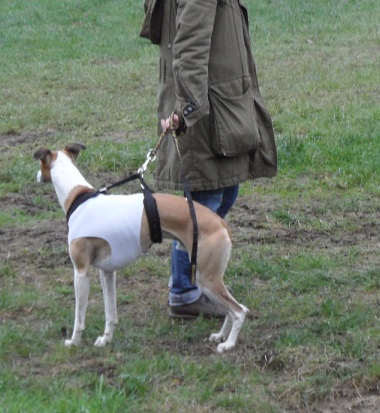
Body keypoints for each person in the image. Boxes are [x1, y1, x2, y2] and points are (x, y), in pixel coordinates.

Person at [140, 0, 277, 317]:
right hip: (204, 107)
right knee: (204, 200)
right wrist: (187, 107)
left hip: (218, 99)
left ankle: (194, 280)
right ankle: (185, 291)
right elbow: (190, 42)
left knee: (224, 189)